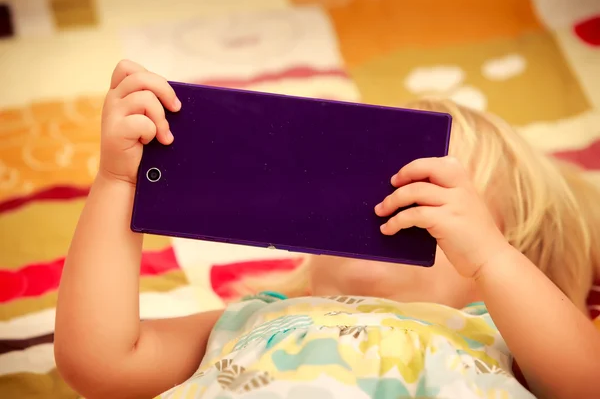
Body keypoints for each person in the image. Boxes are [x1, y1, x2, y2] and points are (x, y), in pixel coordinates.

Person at [54, 60, 600, 399]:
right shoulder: (256, 320)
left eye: (428, 188)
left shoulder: (499, 336)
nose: (386, 195)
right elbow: (100, 366)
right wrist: (117, 182)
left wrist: (494, 261)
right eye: (358, 180)